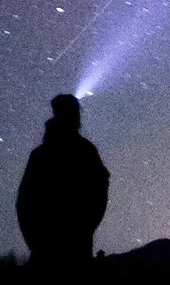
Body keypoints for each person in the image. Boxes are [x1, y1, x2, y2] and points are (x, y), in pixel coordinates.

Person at [15, 92, 109, 266]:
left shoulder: (42, 154)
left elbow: (24, 201)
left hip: (50, 246)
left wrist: (35, 241)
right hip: (66, 246)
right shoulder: (85, 152)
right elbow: (100, 192)